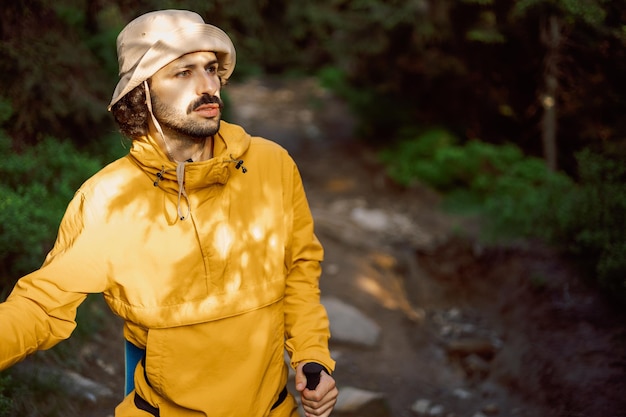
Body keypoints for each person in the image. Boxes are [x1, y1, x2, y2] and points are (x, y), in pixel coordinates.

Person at [0, 9, 338, 417]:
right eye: (182, 73)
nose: (208, 86)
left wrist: (310, 354)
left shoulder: (271, 164)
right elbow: (41, 306)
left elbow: (299, 267)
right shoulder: (109, 198)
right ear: (141, 92)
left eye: (211, 69)